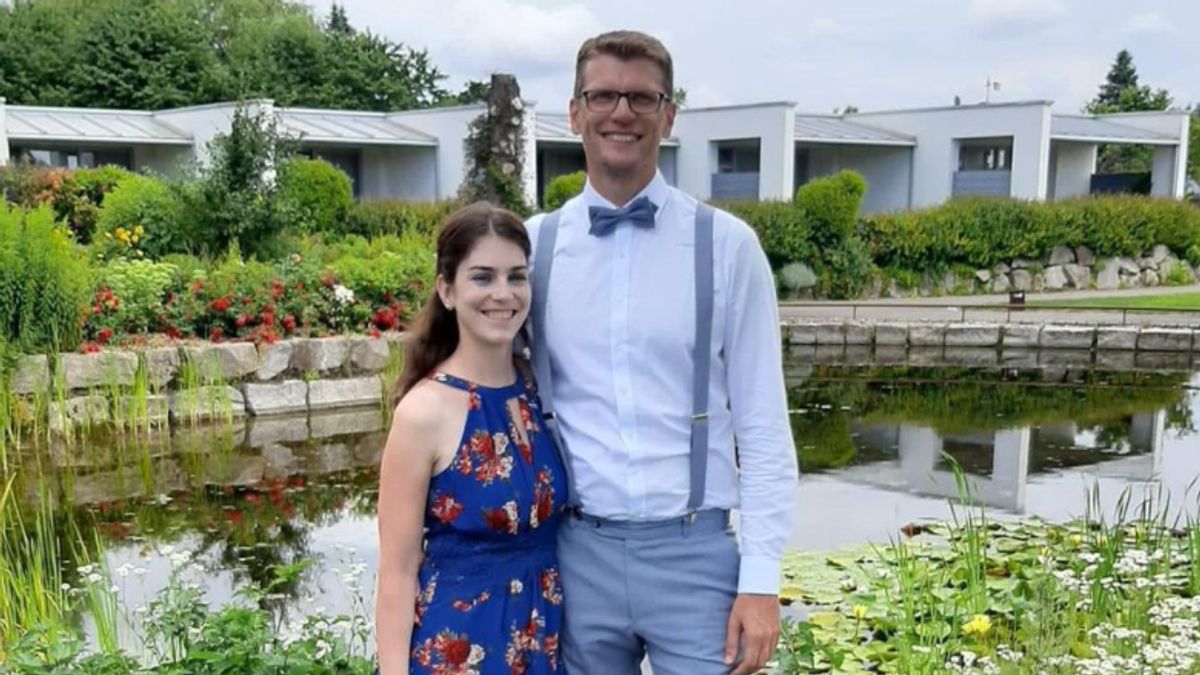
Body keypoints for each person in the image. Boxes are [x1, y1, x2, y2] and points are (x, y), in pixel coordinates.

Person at [526, 30, 798, 675]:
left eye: (642, 99)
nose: (622, 113)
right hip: (574, 551)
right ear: (574, 112)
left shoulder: (728, 246)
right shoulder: (533, 248)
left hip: (696, 554)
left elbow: (763, 426)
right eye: (603, 96)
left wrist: (760, 581)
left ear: (669, 115)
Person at [376, 202, 568, 675]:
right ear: (447, 289)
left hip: (543, 643)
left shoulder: (534, 390)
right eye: (482, 277)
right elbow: (397, 571)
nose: (503, 294)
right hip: (459, 650)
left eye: (516, 276)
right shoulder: (424, 412)